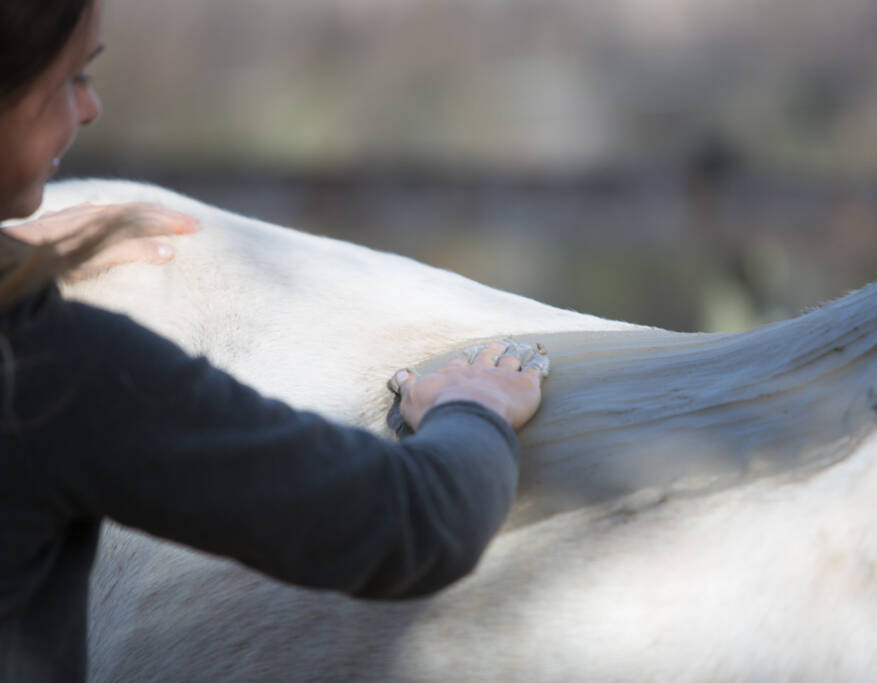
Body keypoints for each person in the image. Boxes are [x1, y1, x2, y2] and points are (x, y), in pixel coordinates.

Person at [0, 2, 547, 681]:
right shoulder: (47, 368)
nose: (90, 108)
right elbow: (412, 521)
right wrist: (474, 405)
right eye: (70, 80)